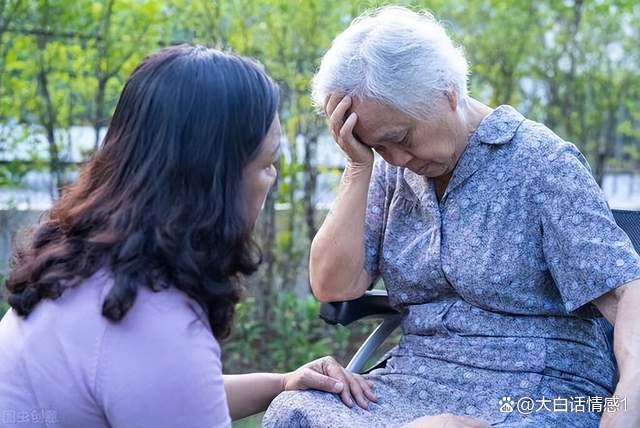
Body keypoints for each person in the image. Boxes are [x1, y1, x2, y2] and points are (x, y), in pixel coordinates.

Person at [263, 6, 640, 428]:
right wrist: (358, 167)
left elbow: (627, 295)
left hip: (539, 390)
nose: (398, 159)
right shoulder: (391, 169)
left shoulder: (541, 163)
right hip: (418, 377)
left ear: (447, 91)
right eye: (379, 147)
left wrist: (626, 404)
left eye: (400, 138)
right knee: (295, 410)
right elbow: (334, 285)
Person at [0, 44, 376, 428]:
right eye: (268, 163)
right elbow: (165, 373)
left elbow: (160, 394)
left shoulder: (85, 263)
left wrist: (281, 383)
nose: (272, 178)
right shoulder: (154, 318)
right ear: (215, 182)